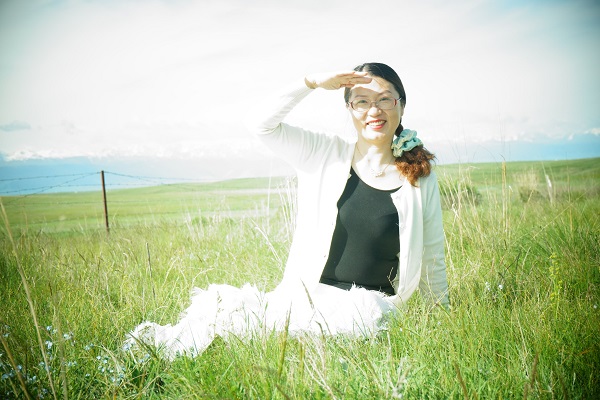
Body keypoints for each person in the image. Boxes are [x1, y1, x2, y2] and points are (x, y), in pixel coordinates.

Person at [127, 62, 449, 358]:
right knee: (223, 312)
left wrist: (442, 320)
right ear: (350, 109)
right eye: (361, 101)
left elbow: (432, 254)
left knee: (316, 338)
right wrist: (310, 82)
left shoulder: (420, 177)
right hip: (303, 299)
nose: (373, 110)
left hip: (367, 309)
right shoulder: (323, 152)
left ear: (401, 105)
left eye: (384, 99)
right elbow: (260, 124)